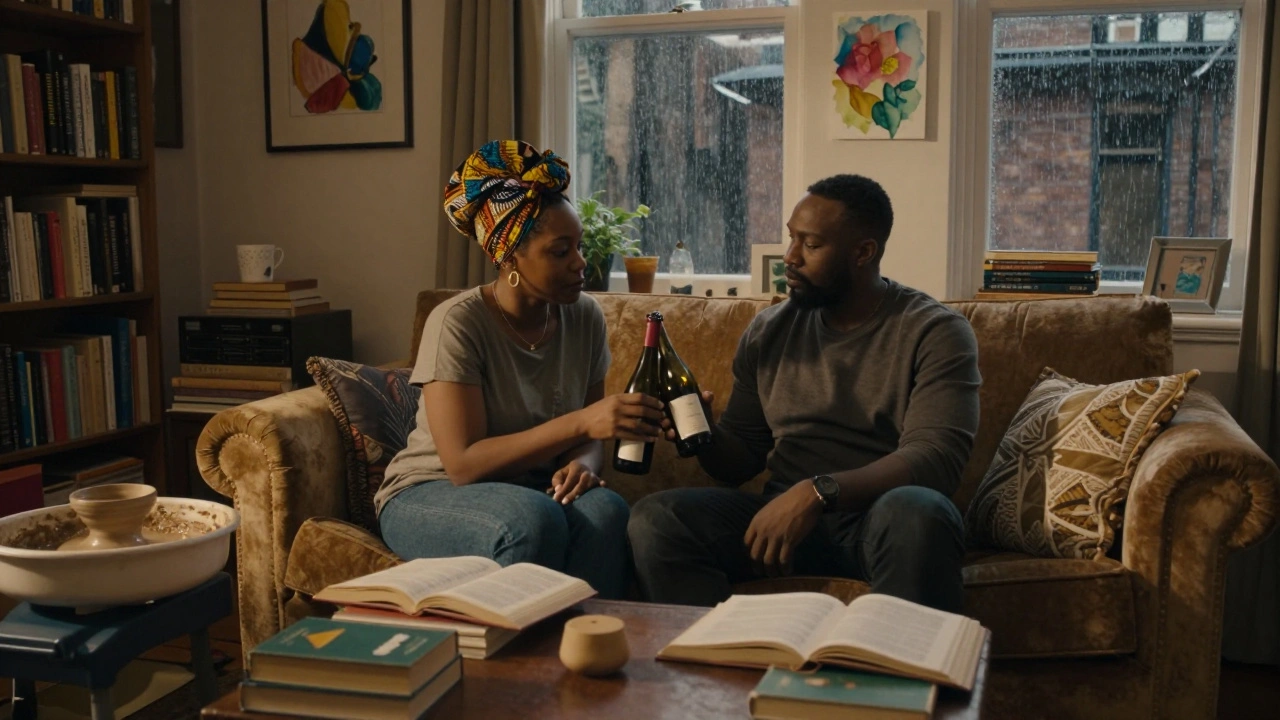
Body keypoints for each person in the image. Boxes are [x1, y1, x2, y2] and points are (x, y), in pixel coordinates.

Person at [628, 174, 981, 612]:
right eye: (791, 238)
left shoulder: (935, 331)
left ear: (863, 253)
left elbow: (936, 460)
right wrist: (705, 433)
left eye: (811, 245)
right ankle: (720, 650)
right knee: (657, 520)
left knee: (920, 512)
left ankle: (894, 657)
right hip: (781, 525)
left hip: (878, 521)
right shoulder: (769, 330)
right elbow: (740, 460)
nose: (790, 258)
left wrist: (818, 492)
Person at [376, 140, 665, 599]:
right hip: (431, 490)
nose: (580, 263)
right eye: (560, 251)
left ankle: (588, 641)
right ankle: (516, 645)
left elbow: (590, 436)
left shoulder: (585, 316)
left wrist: (583, 465)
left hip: (532, 488)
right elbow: (463, 464)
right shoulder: (458, 323)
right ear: (509, 257)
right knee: (532, 519)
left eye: (579, 247)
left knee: (606, 510)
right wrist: (582, 423)